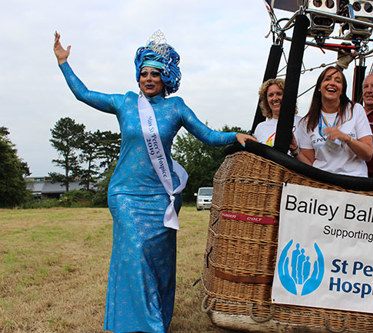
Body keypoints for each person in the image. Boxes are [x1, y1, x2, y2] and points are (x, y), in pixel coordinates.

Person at [53, 30, 255, 333]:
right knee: (134, 251)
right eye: (144, 74)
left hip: (162, 197)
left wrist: (235, 136)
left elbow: (207, 135)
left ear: (166, 78)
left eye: (155, 74)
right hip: (125, 193)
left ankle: (154, 315)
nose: (149, 79)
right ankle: (146, 326)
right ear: (138, 77)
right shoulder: (125, 103)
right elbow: (84, 94)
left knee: (156, 260)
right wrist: (64, 63)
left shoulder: (176, 108)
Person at [295, 66, 373, 177]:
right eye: (327, 79)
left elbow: (368, 154)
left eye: (338, 81)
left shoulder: (356, 110)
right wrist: (295, 150)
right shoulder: (306, 122)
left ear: (342, 90)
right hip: (323, 183)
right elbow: (310, 164)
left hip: (354, 181)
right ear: (319, 87)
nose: (332, 83)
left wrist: (346, 138)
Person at [253, 78, 301, 156]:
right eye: (270, 95)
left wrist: (295, 150)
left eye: (279, 94)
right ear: (266, 100)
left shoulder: (302, 123)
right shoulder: (260, 127)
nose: (275, 98)